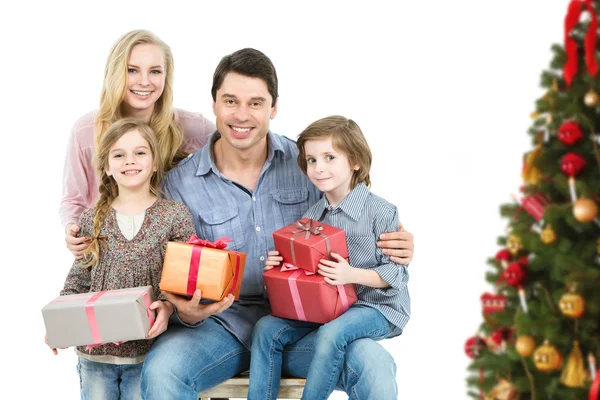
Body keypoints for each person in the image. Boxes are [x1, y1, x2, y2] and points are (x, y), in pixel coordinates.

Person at [141, 48, 413, 400]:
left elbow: (355, 210)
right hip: (219, 327)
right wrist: (187, 311)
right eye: (230, 101)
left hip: (304, 325)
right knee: (163, 371)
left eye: (255, 103)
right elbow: (168, 269)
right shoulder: (180, 183)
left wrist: (397, 241)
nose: (242, 115)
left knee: (374, 363)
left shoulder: (306, 165)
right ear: (214, 105)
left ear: (273, 107)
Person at [248, 115, 410, 400]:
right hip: (328, 309)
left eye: (329, 158)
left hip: (375, 307)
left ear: (356, 161)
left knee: (331, 335)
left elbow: (396, 275)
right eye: (311, 160)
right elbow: (307, 272)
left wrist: (351, 276)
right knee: (265, 328)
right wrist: (281, 266)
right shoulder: (312, 217)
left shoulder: (381, 211)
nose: (318, 168)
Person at [46, 118, 196, 399]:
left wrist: (167, 306)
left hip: (148, 353)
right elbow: (79, 277)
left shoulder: (175, 215)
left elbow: (182, 280)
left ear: (154, 163)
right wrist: (58, 323)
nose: (130, 161)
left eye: (140, 152)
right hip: (95, 355)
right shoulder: (92, 218)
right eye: (119, 154)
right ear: (106, 167)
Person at [61, 29, 215, 258]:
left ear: (166, 76)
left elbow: (232, 166)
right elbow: (74, 198)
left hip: (174, 260)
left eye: (155, 71)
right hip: (110, 256)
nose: (144, 82)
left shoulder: (195, 129)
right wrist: (72, 229)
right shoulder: (86, 131)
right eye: (132, 70)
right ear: (115, 73)